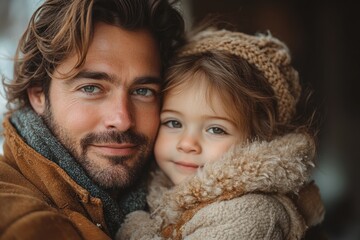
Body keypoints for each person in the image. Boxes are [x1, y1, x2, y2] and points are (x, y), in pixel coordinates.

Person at [0, 0, 184, 239]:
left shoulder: (179, 188)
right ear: (38, 95)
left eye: (143, 91)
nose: (122, 119)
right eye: (91, 88)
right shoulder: (14, 210)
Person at [117, 28, 325, 239]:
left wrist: (135, 227)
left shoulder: (251, 213)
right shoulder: (158, 188)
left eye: (216, 129)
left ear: (260, 139)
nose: (187, 143)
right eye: (173, 122)